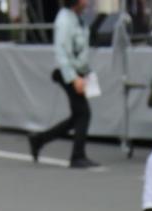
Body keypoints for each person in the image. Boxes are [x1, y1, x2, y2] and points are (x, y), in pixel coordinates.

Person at [27, 0, 96, 169]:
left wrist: (86, 73)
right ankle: (77, 155)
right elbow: (62, 52)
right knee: (84, 113)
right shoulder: (65, 20)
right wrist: (73, 78)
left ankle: (39, 140)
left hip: (78, 71)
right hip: (68, 72)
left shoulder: (77, 18)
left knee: (78, 115)